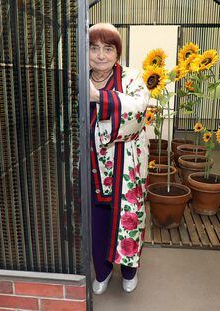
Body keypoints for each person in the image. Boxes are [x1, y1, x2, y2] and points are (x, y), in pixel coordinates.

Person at [89, 23, 150, 294]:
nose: (101, 55)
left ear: (118, 52)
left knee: (129, 218)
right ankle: (102, 273)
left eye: (108, 48)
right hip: (92, 167)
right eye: (94, 48)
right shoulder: (78, 79)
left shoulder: (132, 77)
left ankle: (129, 270)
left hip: (127, 164)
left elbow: (139, 108)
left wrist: (98, 97)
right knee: (97, 222)